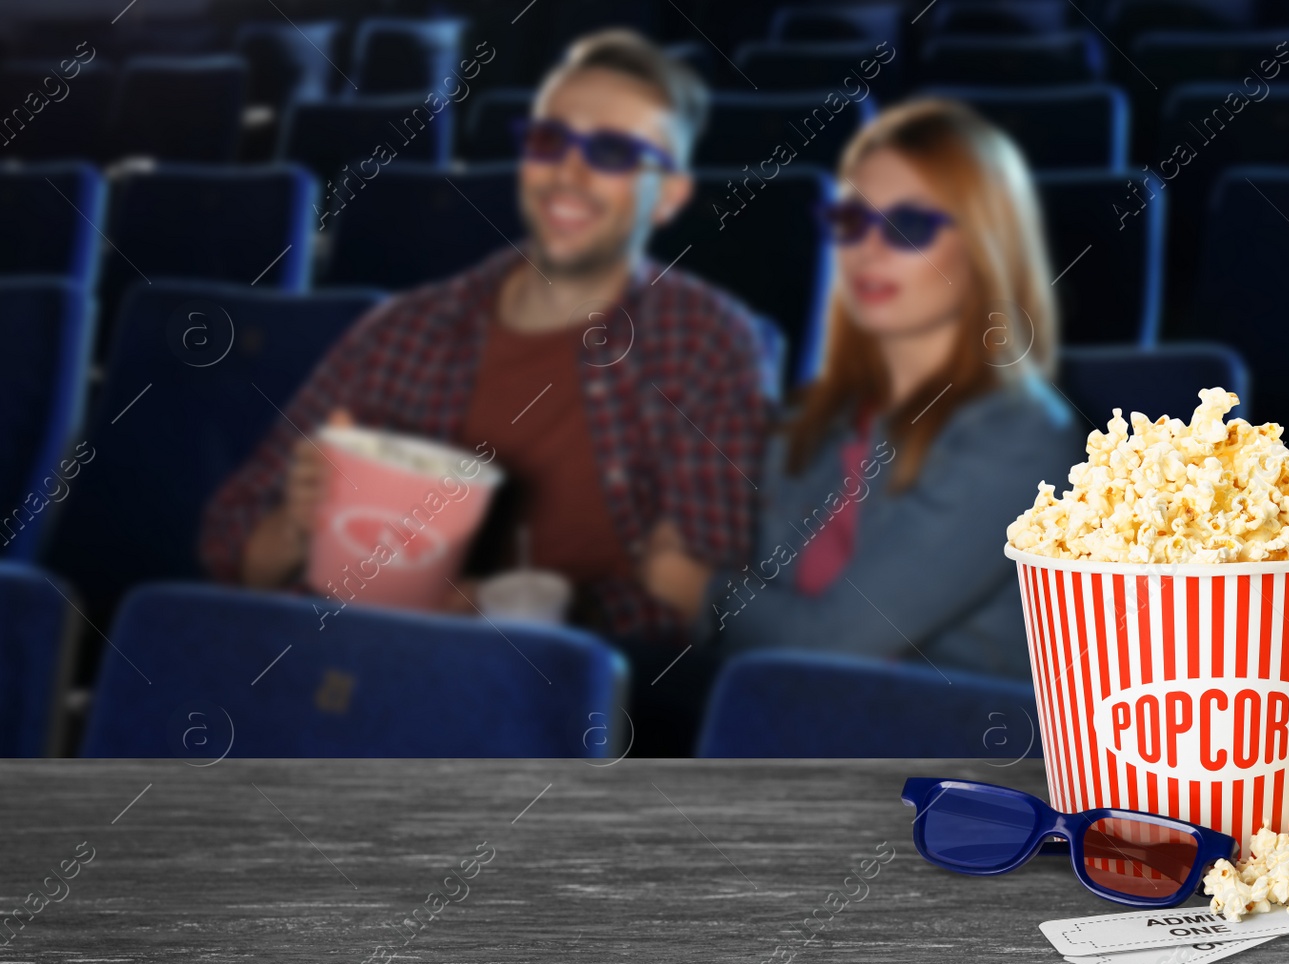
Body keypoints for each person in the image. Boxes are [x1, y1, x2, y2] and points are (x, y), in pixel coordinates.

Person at [200, 30, 767, 653]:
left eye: (610, 152)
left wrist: (511, 613)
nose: (567, 174)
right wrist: (296, 527)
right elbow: (232, 544)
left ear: (670, 197)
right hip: (345, 665)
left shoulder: (709, 344)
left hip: (543, 707)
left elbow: (699, 606)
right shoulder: (403, 332)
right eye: (550, 141)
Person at [644, 98, 1077, 681]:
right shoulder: (821, 415)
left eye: (909, 227)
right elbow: (764, 592)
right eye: (851, 223)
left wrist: (694, 590)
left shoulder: (1022, 434)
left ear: (984, 247)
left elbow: (834, 644)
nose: (867, 251)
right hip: (789, 723)